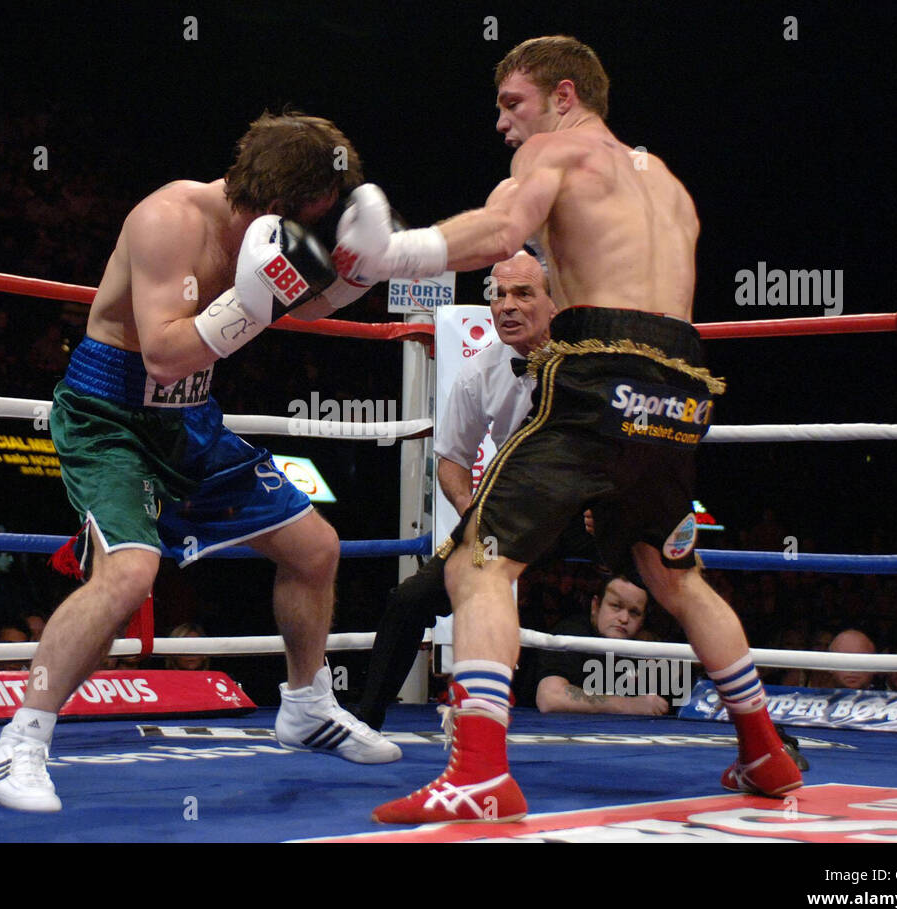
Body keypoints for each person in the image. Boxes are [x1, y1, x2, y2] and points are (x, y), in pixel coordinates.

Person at [334, 35, 802, 823]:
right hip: (681, 384)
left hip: (599, 368)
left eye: (512, 104)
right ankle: (765, 751)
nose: (502, 124)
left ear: (561, 94)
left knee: (478, 562)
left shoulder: (557, 151)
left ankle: (480, 770)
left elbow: (500, 227)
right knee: (673, 575)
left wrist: (395, 253)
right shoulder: (671, 185)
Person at [0, 112, 399, 813]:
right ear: (276, 199)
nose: (322, 225)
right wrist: (249, 305)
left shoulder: (281, 230)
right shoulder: (168, 221)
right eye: (317, 214)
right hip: (111, 418)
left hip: (191, 420)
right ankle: (16, 745)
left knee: (314, 548)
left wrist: (357, 275)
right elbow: (165, 351)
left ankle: (305, 705)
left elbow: (311, 307)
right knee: (131, 573)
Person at [354, 251, 596, 729]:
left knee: (674, 576)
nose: (506, 305)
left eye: (523, 293)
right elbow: (451, 459)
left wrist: (611, 503)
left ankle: (751, 729)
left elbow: (633, 439)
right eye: (498, 295)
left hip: (595, 501)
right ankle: (366, 720)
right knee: (411, 599)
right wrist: (472, 512)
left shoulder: (594, 359)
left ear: (555, 303)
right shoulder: (480, 371)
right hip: (521, 507)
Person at [532, 574, 669, 714]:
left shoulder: (644, 648)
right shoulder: (572, 634)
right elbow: (550, 697)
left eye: (634, 612)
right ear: (595, 606)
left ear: (642, 621)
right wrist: (628, 705)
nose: (624, 618)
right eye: (616, 606)